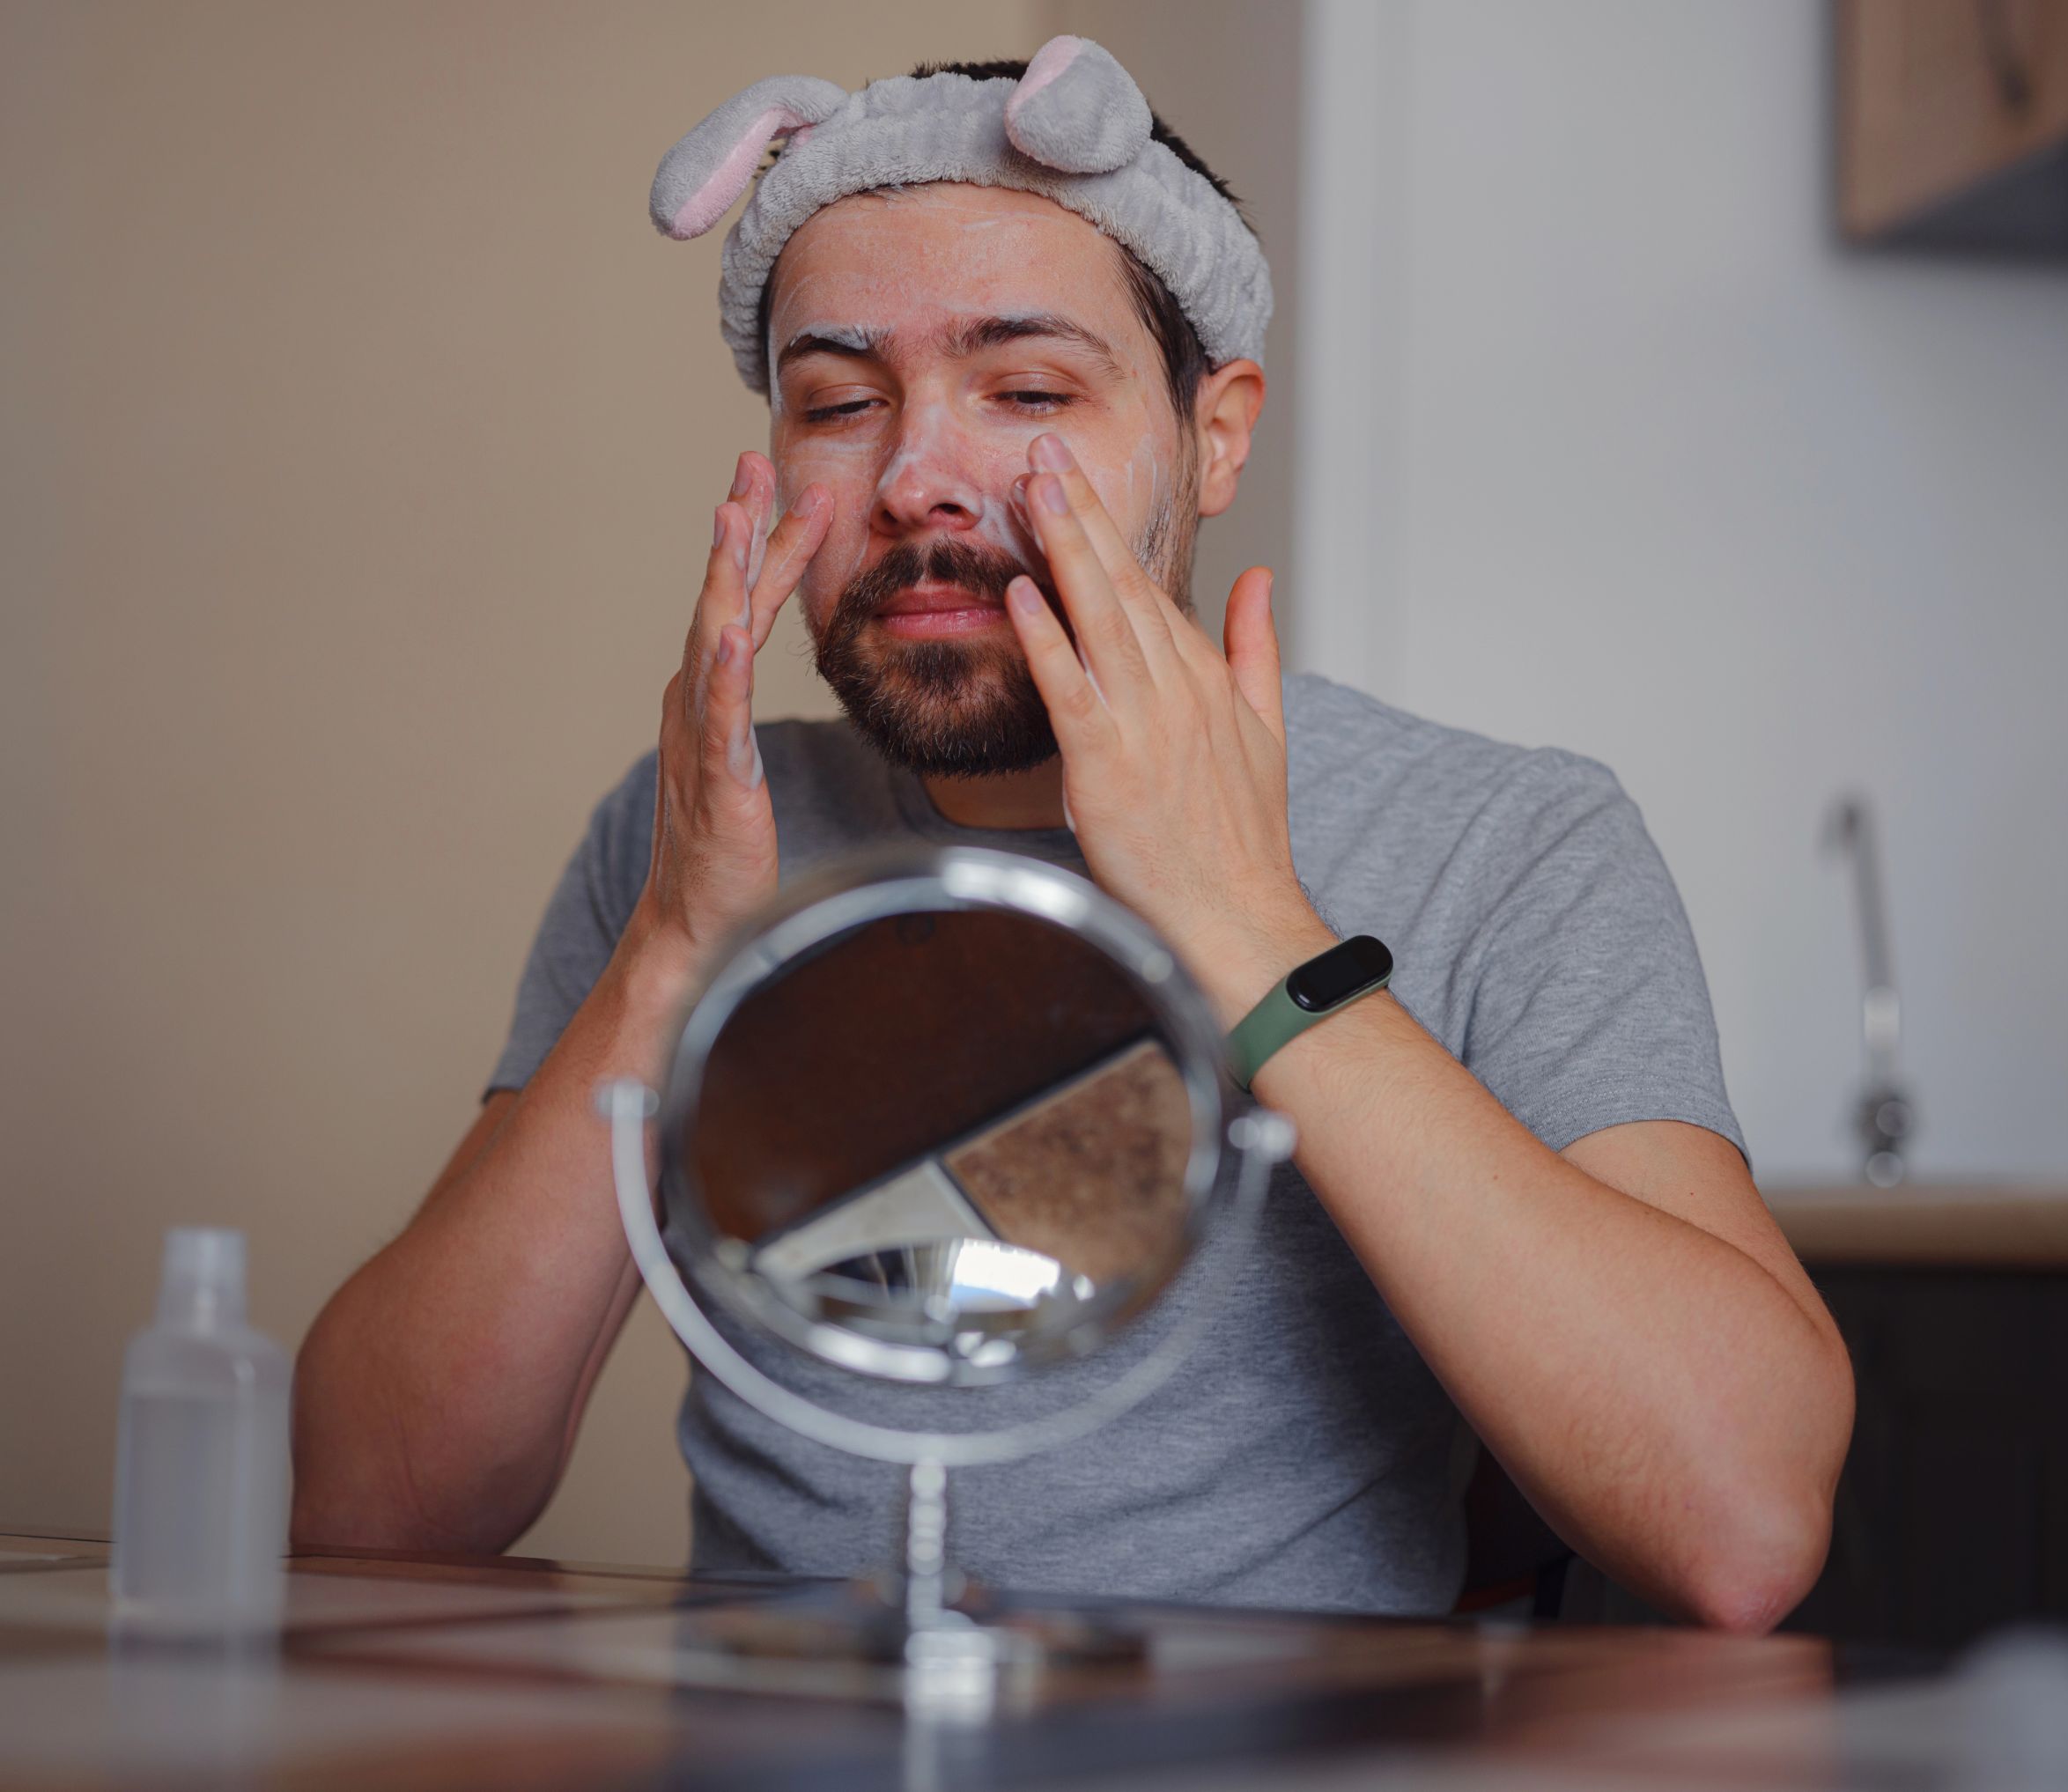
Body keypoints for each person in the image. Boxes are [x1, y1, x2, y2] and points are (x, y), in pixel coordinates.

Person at [292, 40, 1853, 1631]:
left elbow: (1739, 1523)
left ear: (1215, 433)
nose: (917, 478)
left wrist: (1247, 922)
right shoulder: (698, 830)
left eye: (1028, 391)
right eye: (839, 403)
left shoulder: (1505, 840)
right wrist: (677, 952)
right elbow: (369, 1508)